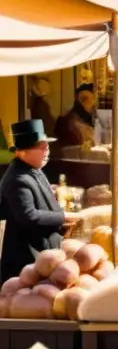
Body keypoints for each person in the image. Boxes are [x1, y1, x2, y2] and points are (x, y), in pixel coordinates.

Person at [0, 120, 79, 283]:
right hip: (26, 260)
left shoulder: (33, 169)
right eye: (42, 147)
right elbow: (28, 216)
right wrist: (63, 217)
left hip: (43, 253)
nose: (47, 151)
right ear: (22, 152)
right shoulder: (17, 179)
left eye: (47, 146)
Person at [54, 83, 96, 148]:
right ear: (82, 100)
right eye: (91, 101)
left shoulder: (80, 118)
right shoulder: (72, 123)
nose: (93, 105)